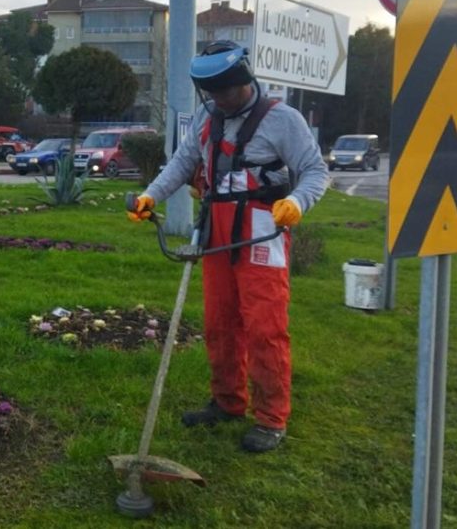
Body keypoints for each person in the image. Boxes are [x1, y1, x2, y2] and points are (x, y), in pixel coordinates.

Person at [127, 40, 329, 452]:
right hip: (216, 228)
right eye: (212, 92)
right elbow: (183, 162)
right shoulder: (208, 116)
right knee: (219, 322)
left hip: (262, 226)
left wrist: (296, 202)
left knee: (265, 325)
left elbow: (315, 170)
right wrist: (151, 195)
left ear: (244, 80)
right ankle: (228, 401)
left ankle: (271, 418)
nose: (219, 99)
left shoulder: (282, 120)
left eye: (225, 91)